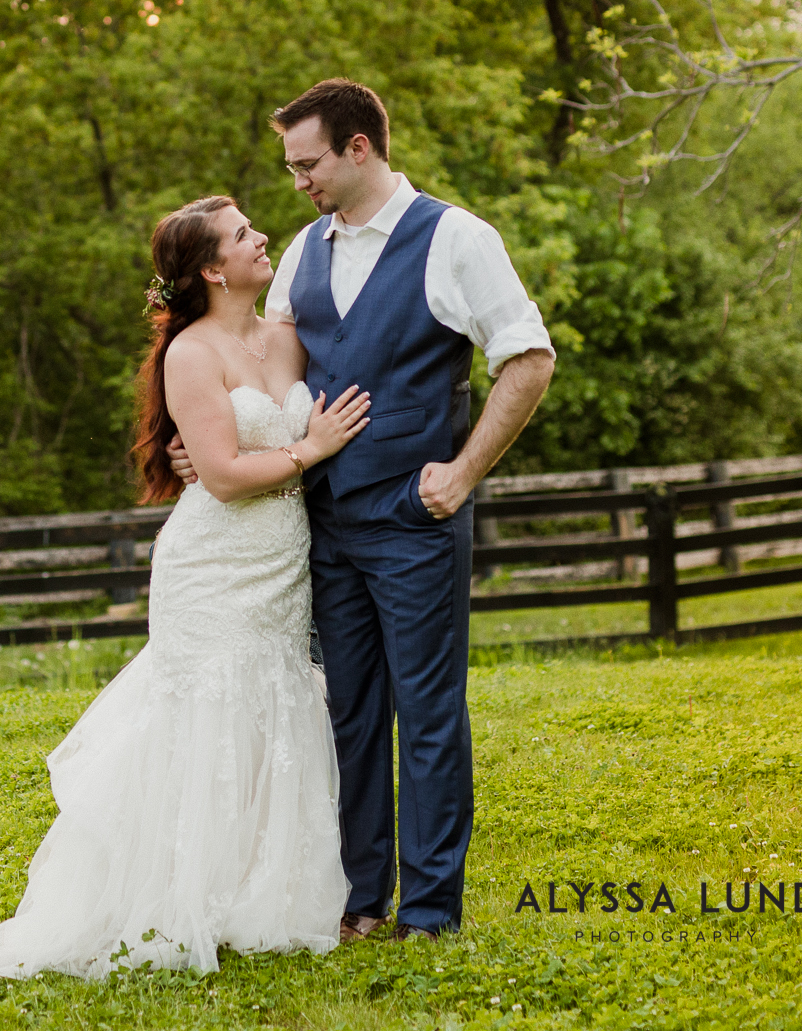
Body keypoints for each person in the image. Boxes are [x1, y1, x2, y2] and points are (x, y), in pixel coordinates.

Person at [0, 195, 369, 981]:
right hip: (213, 565)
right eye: (242, 235)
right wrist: (312, 447)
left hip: (281, 564)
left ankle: (258, 888)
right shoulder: (191, 355)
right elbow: (228, 477)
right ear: (211, 268)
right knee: (207, 716)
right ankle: (180, 889)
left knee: (270, 708)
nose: (261, 235)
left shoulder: (288, 336)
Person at [169, 79, 555, 941]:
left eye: (306, 162)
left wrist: (460, 473)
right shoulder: (304, 252)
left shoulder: (456, 238)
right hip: (322, 528)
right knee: (344, 715)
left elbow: (528, 359)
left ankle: (427, 911)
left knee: (425, 714)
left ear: (357, 147)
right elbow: (257, 365)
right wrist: (207, 439)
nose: (297, 179)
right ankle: (358, 901)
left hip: (414, 524)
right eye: (290, 165)